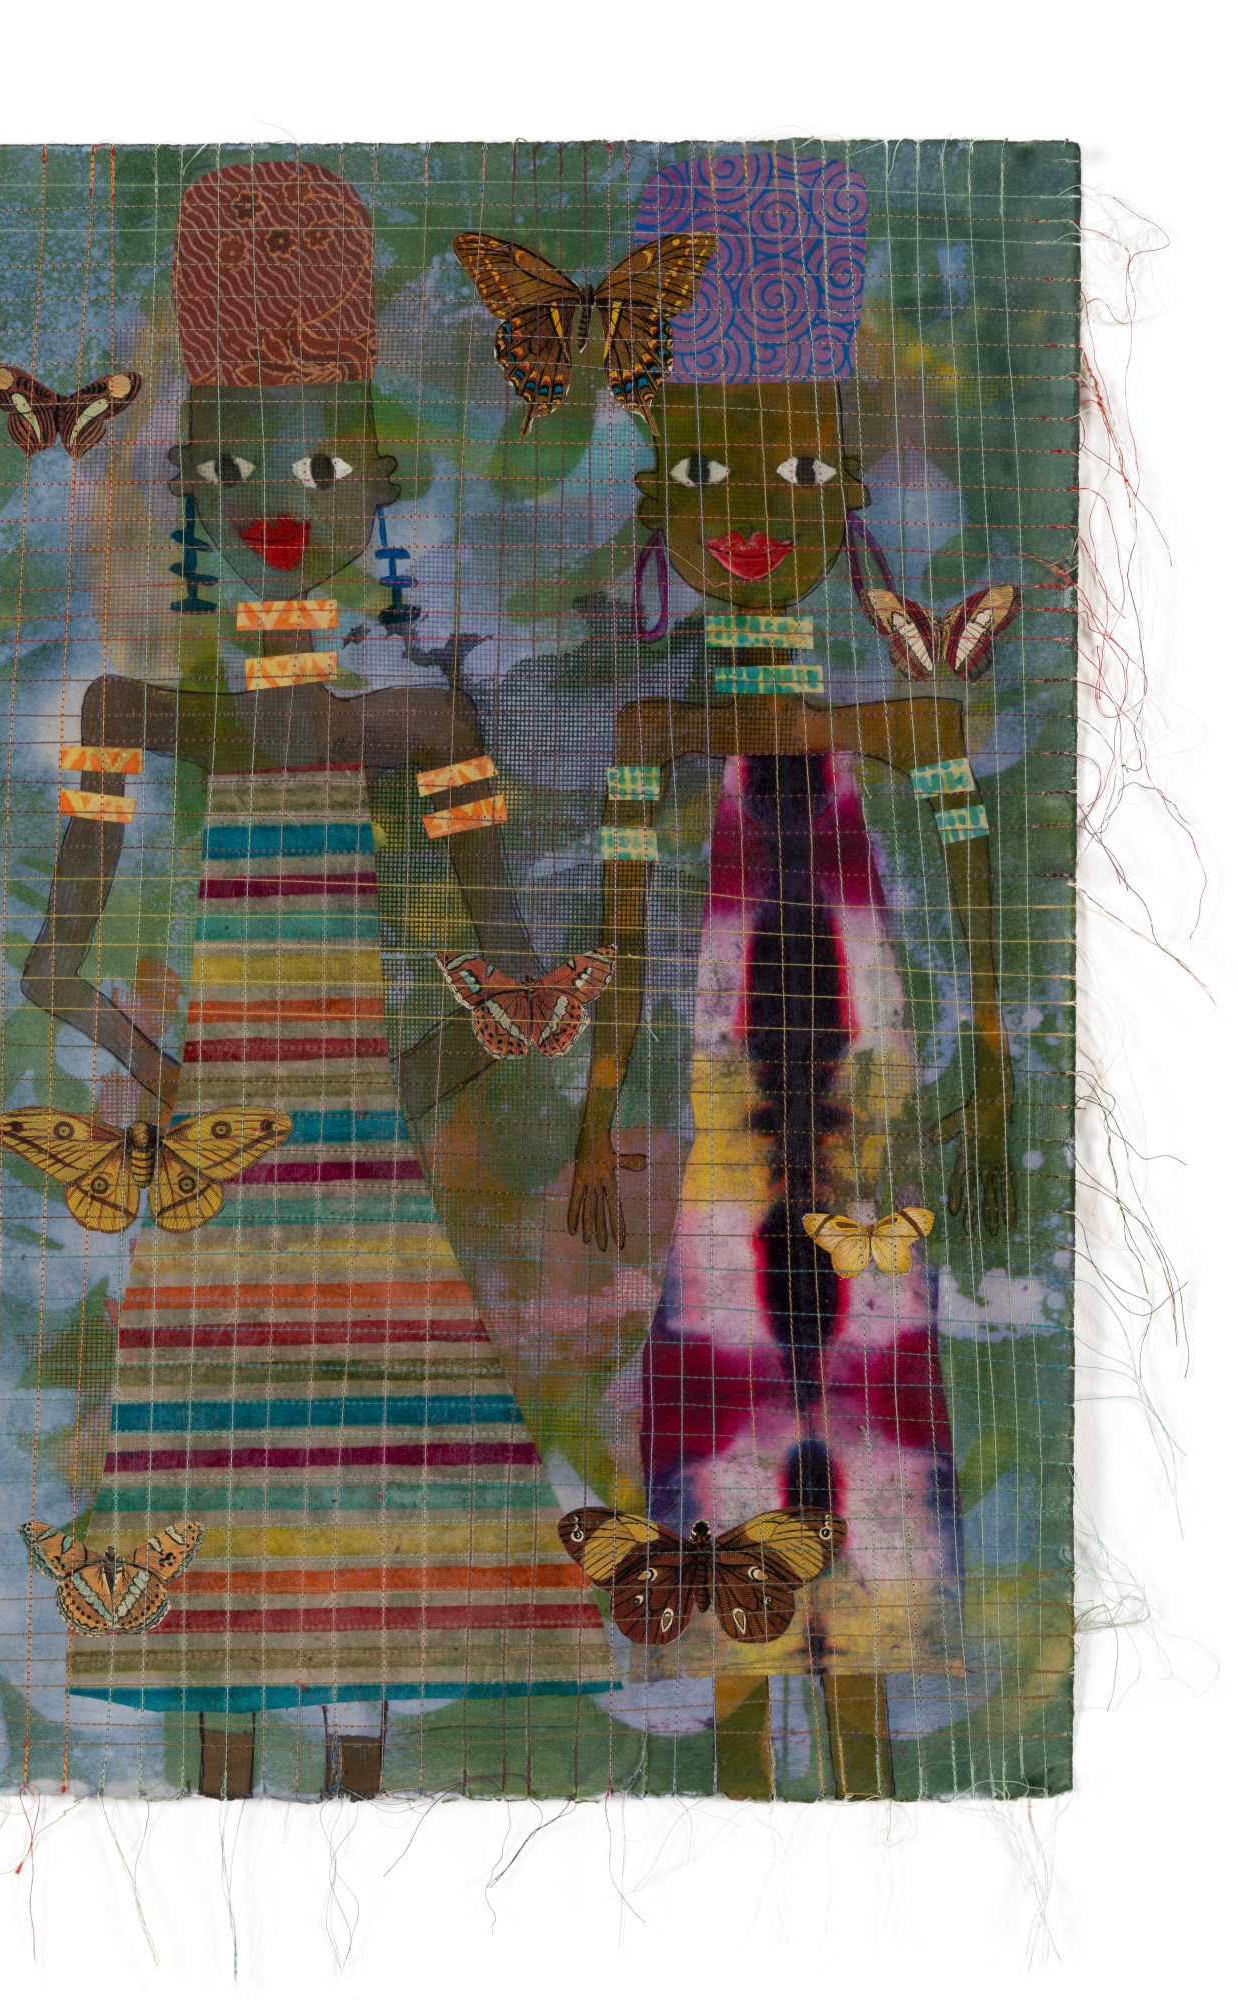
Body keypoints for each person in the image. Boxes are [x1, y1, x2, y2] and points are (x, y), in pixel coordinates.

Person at [20, 160, 612, 1800]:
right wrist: (168, 1074)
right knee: (224, 1447)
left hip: (337, 1155)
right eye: (230, 467)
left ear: (380, 496)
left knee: (368, 1460)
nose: (277, 499)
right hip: (233, 1149)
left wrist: (379, 1102)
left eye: (327, 466)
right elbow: (50, 967)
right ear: (191, 499)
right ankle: (226, 1779)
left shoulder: (413, 721)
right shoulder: (142, 712)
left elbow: (506, 987)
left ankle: (347, 1788)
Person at [566, 152, 1020, 1796]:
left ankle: (864, 1757)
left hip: (861, 1117)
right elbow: (626, 937)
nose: (750, 513)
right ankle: (750, 1742)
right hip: (723, 1148)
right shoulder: (668, 723)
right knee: (724, 1388)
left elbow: (968, 876)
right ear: (657, 501)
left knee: (874, 1394)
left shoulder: (885, 718)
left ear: (848, 502)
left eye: (802, 470)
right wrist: (598, 1110)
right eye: (703, 472)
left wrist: (992, 1063)